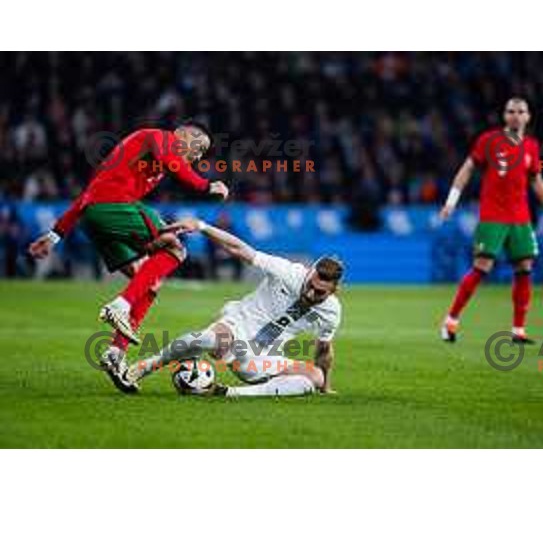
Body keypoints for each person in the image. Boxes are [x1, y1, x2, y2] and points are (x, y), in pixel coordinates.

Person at [28, 124, 229, 386]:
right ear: (184, 135)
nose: (199, 156)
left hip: (95, 215)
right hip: (114, 205)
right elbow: (172, 163)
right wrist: (206, 186)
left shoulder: (137, 163)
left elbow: (86, 196)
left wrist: (55, 235)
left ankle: (115, 353)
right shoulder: (158, 137)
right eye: (199, 147)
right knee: (175, 247)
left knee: (149, 282)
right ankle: (120, 305)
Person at [110, 217, 343, 397]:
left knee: (314, 378)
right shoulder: (287, 272)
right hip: (237, 327)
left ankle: (229, 393)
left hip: (263, 357)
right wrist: (202, 226)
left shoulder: (331, 312)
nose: (311, 293)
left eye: (320, 292)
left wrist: (326, 386)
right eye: (310, 285)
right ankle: (143, 367)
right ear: (309, 273)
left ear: (333, 290)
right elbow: (239, 249)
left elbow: (324, 350)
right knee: (206, 339)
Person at [439, 98, 543, 343]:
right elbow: (467, 169)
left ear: (528, 116)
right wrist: (451, 201)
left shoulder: (531, 146)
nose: (516, 115)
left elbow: (537, 182)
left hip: (520, 219)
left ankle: (518, 330)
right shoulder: (489, 141)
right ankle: (450, 321)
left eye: (521, 111)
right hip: (492, 217)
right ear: (504, 115)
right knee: (482, 267)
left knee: (524, 268)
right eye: (511, 111)